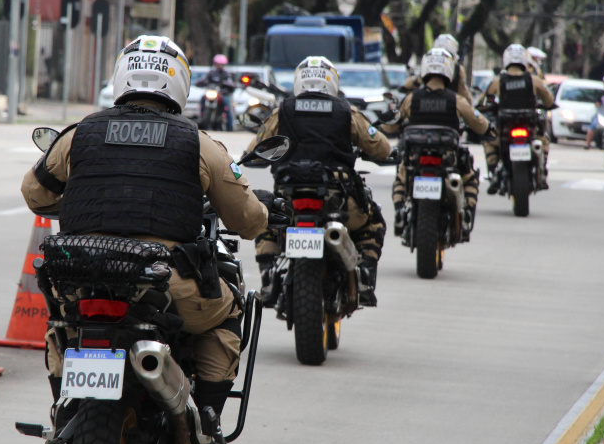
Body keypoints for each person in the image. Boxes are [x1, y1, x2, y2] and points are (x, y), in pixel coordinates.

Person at [21, 35, 270, 444]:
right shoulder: (199, 143)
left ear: (121, 77)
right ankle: (207, 415)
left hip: (84, 277)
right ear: (179, 83)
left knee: (64, 325)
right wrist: (265, 214)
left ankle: (63, 410)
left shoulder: (79, 135)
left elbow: (34, 194)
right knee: (228, 311)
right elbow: (247, 221)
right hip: (164, 284)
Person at [247, 56, 391, 307]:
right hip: (338, 201)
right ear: (332, 82)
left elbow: (254, 150)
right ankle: (365, 277)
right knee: (373, 221)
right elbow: (382, 147)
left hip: (290, 199)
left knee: (267, 220)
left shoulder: (283, 111)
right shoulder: (346, 111)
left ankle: (269, 276)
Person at [383, 49, 489, 240]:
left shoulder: (411, 98)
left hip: (416, 159)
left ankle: (399, 213)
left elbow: (391, 126)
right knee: (470, 178)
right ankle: (466, 216)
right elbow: (480, 125)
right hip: (448, 159)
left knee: (401, 176)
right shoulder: (457, 100)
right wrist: (487, 129)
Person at [482, 43, 555, 192]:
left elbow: (483, 102)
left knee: (489, 142)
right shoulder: (534, 80)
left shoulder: (498, 81)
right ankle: (542, 170)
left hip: (504, 129)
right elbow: (549, 100)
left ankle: (493, 172)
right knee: (544, 141)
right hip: (529, 128)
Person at [400, 34, 472, 101]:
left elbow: (408, 85)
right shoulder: (458, 69)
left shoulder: (428, 65)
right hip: (449, 107)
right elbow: (464, 94)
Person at [195, 54, 237, 131]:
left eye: (221, 64)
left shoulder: (227, 74)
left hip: (223, 94)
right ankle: (200, 117)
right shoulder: (211, 73)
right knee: (202, 99)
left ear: (224, 64)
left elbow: (232, 83)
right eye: (218, 64)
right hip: (212, 93)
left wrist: (228, 85)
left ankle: (230, 126)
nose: (219, 65)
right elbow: (204, 80)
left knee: (227, 104)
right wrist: (201, 83)